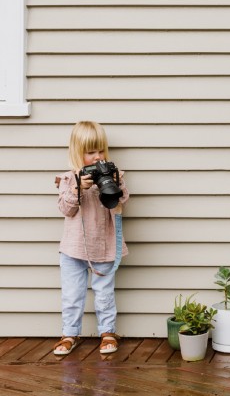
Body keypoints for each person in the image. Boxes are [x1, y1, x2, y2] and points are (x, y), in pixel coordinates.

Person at [53, 121, 129, 356]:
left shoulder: (113, 174)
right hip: (73, 248)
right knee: (72, 294)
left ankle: (107, 332)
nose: (97, 157)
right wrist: (79, 188)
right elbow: (66, 209)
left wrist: (114, 182)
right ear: (77, 152)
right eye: (90, 152)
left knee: (104, 292)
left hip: (104, 244)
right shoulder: (69, 179)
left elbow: (122, 201)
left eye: (100, 150)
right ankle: (69, 333)